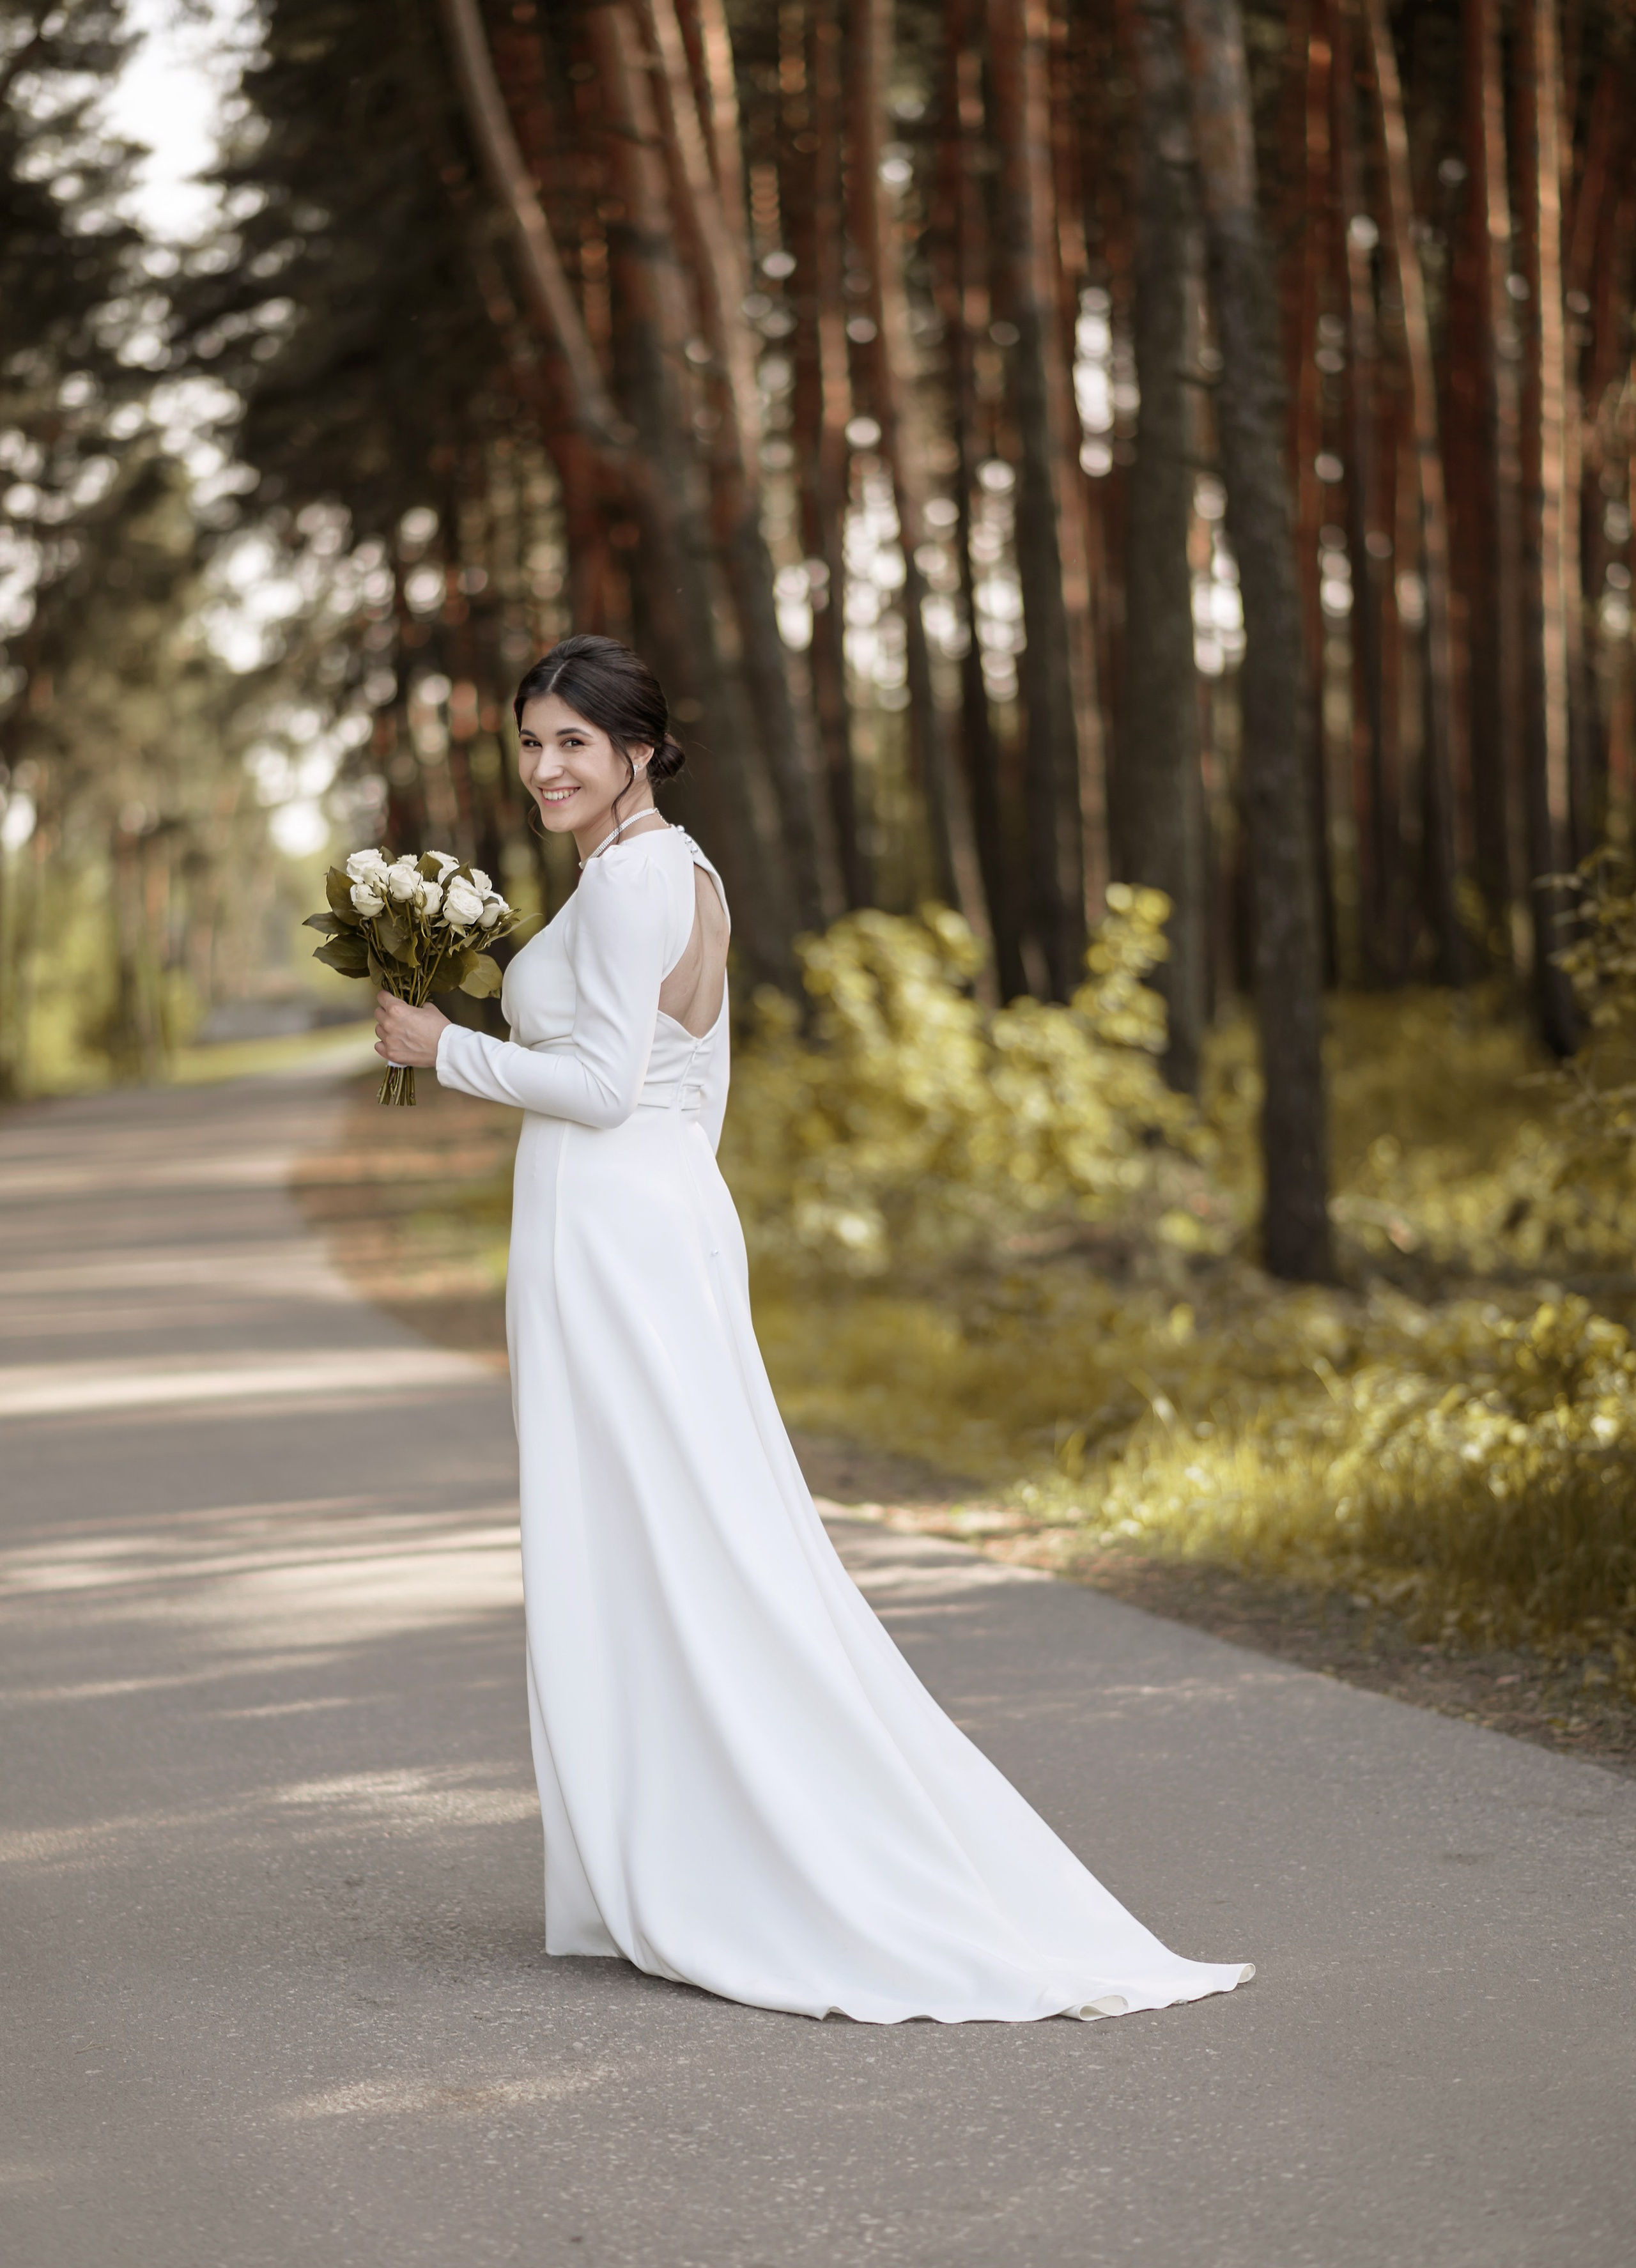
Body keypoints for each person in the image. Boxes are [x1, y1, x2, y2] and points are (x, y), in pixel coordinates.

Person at [373, 633, 1253, 2025]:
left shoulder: (626, 887)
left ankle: (730, 1856)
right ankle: (677, 1844)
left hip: (615, 1225)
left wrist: (445, 1050)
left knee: (658, 1534)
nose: (544, 768)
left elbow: (602, 1087)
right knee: (679, 1530)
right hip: (655, 1214)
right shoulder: (682, 869)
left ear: (639, 752)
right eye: (530, 742)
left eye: (571, 746)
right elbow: (682, 1084)